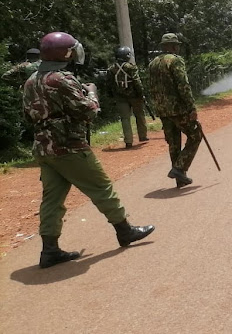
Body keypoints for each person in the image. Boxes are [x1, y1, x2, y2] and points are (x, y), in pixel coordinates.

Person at [23, 32, 155, 268]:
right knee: (101, 187)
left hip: (44, 149)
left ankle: (50, 250)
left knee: (52, 198)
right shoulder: (62, 79)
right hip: (69, 146)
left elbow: (29, 115)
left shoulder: (32, 80)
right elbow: (88, 112)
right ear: (65, 53)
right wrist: (92, 93)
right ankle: (124, 230)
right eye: (71, 50)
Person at [148, 33, 200, 188]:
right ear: (171, 46)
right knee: (195, 135)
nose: (177, 47)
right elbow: (183, 85)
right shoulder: (175, 61)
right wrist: (191, 107)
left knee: (173, 143)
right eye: (176, 45)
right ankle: (179, 168)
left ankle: (180, 177)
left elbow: (152, 87)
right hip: (178, 109)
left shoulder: (153, 64)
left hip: (163, 111)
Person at [107, 46, 149, 149]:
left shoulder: (111, 69)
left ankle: (128, 141)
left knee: (125, 119)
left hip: (120, 97)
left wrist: (112, 96)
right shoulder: (131, 67)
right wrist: (141, 93)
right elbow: (137, 81)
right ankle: (142, 136)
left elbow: (109, 84)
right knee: (140, 115)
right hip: (134, 96)